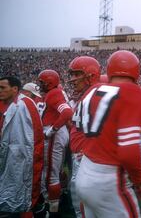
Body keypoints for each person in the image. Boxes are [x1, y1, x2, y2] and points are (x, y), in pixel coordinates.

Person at [74, 50, 141, 217]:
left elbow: (75, 135)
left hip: (85, 169)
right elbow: (128, 150)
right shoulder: (132, 91)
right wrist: (140, 180)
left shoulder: (92, 90)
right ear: (136, 72)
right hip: (108, 178)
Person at [0, 77, 44, 217]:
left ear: (15, 89)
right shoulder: (8, 104)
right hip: (9, 156)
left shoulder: (24, 105)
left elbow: (31, 140)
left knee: (22, 198)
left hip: (20, 159)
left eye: (2, 88)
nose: (0, 91)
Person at [68, 56, 101, 218]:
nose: (72, 79)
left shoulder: (96, 95)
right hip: (80, 155)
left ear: (91, 75)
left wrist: (89, 150)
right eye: (72, 75)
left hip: (88, 158)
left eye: (77, 74)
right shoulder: (85, 95)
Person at [37, 69, 73, 217]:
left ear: (49, 82)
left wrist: (51, 130)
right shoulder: (54, 93)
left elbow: (67, 113)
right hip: (58, 133)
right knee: (53, 172)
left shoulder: (53, 93)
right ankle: (55, 205)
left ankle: (52, 210)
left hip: (55, 134)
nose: (40, 85)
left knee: (50, 174)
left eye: (41, 82)